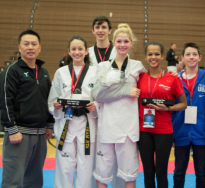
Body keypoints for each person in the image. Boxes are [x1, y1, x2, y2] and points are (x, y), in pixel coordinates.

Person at [0, 29, 54, 188]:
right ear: (19, 47)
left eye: (34, 44)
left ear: (40, 47)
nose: (30, 47)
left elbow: (47, 99)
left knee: (35, 180)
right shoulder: (12, 71)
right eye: (26, 44)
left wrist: (49, 124)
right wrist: (12, 129)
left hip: (40, 135)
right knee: (13, 180)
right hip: (19, 134)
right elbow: (5, 101)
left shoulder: (43, 73)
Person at [92, 23, 146, 188]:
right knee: (102, 172)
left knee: (129, 173)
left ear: (131, 43)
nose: (122, 45)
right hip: (107, 125)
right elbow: (97, 95)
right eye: (119, 41)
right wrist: (125, 92)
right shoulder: (102, 67)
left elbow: (152, 83)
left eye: (126, 41)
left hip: (128, 128)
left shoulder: (137, 67)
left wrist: (174, 73)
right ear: (113, 42)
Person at [48, 36, 98, 188]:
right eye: (74, 49)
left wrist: (96, 106)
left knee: (86, 167)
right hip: (66, 123)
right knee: (64, 166)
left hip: (87, 123)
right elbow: (52, 100)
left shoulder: (95, 72)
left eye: (80, 48)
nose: (77, 52)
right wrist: (55, 107)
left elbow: (100, 98)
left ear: (86, 51)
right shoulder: (60, 72)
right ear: (68, 52)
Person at [137, 41, 187, 188]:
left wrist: (167, 109)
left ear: (163, 56)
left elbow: (183, 104)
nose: (153, 57)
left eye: (157, 54)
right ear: (145, 57)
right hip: (143, 130)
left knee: (161, 172)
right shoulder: (138, 77)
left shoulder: (172, 78)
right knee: (147, 172)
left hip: (164, 131)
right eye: (150, 54)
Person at [89, 15, 124, 188]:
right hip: (91, 108)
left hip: (113, 107)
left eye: (104, 27)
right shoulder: (87, 53)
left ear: (110, 30)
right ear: (93, 30)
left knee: (116, 151)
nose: (100, 30)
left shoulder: (119, 52)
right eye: (97, 27)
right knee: (94, 152)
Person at [172, 42, 205, 188]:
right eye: (188, 54)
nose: (191, 57)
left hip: (201, 133)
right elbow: (172, 107)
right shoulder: (176, 79)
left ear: (200, 57)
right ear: (182, 58)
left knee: (201, 173)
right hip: (180, 131)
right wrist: (171, 131)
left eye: (194, 54)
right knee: (179, 172)